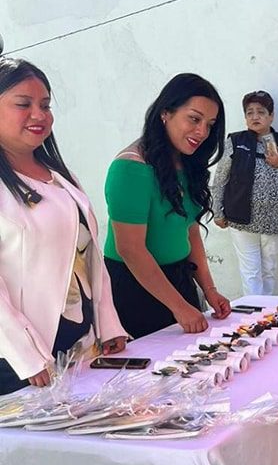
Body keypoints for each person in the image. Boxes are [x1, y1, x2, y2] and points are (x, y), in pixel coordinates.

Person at [0, 57, 126, 395]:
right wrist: (25, 356)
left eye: (45, 105)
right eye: (23, 104)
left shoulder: (60, 178)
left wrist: (108, 323)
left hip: (81, 348)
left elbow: (90, 258)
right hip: (20, 365)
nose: (39, 114)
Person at [104, 73, 231, 339]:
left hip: (180, 280)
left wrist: (209, 290)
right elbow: (130, 249)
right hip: (135, 288)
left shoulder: (186, 163)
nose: (202, 132)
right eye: (194, 119)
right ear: (166, 113)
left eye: (209, 124)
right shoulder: (130, 168)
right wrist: (179, 307)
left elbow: (190, 230)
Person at [211, 90, 278, 296]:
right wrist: (217, 211)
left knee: (269, 271)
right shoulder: (236, 141)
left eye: (261, 112)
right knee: (250, 273)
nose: (255, 117)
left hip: (275, 220)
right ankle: (255, 317)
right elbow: (220, 177)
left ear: (271, 116)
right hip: (242, 220)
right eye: (250, 113)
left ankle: (266, 316)